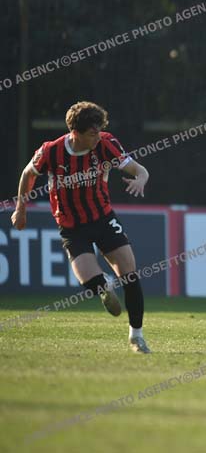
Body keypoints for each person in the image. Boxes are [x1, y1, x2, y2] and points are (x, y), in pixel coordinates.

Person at [11, 101, 153, 353]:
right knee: (88, 279)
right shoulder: (51, 151)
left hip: (103, 219)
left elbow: (139, 169)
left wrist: (141, 178)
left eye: (99, 131)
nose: (97, 137)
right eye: (92, 133)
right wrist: (20, 209)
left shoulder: (106, 143)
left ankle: (137, 336)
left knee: (130, 274)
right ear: (75, 133)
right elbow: (28, 174)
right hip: (71, 226)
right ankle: (103, 286)